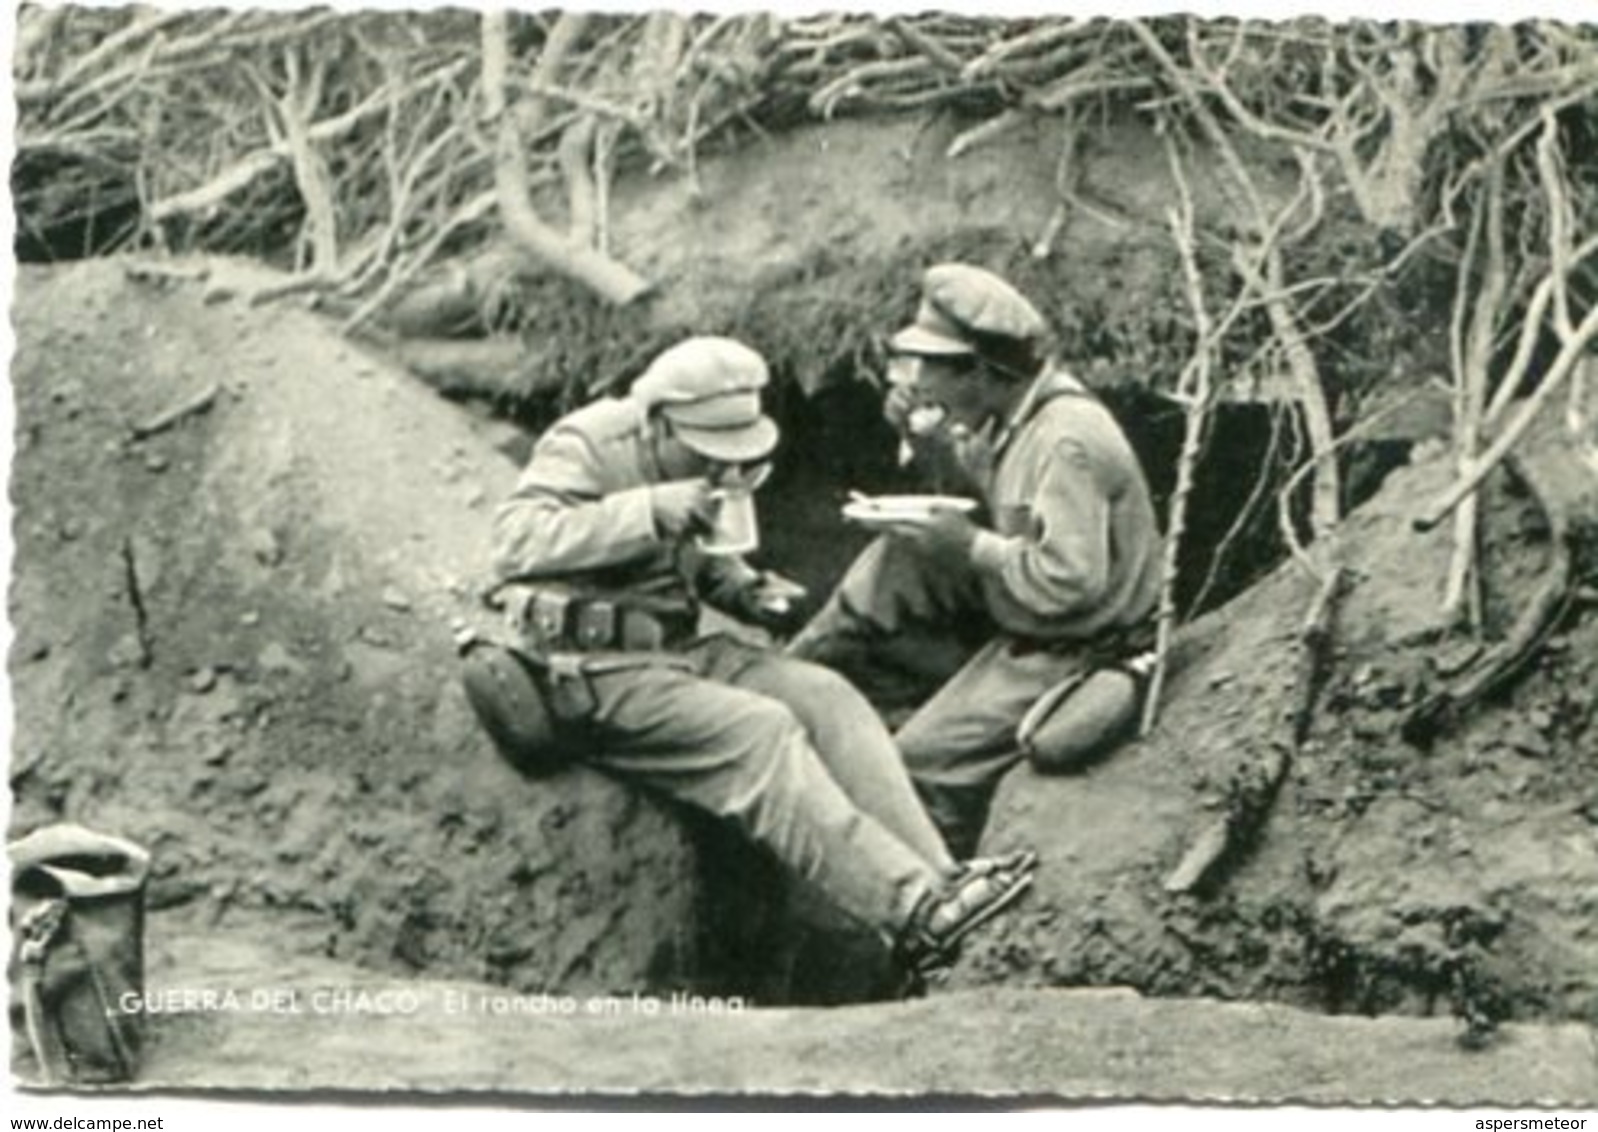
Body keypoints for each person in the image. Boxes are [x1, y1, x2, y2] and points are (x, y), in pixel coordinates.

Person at [487, 334, 1035, 981]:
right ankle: (910, 913)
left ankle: (944, 887)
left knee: (824, 696)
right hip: (592, 669)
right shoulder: (587, 444)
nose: (723, 469)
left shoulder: (695, 467)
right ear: (660, 422)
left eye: (736, 454)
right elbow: (514, 541)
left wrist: (743, 589)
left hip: (679, 650)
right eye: (708, 452)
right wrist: (645, 510)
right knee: (761, 732)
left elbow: (684, 564)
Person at [788, 265, 1164, 859]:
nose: (919, 381)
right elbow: (1002, 507)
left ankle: (946, 893)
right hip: (1029, 607)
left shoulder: (1065, 441)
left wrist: (967, 547)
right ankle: (795, 677)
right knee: (899, 557)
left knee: (916, 770)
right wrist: (935, 447)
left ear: (984, 373)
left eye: (933, 367)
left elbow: (1071, 584)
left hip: (1079, 643)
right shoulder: (1008, 416)